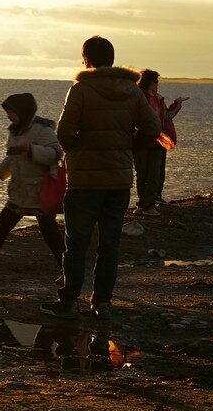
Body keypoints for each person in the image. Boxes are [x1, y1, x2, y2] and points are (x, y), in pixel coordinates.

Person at [49, 35, 158, 318]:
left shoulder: (81, 89)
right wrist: (129, 146)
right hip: (118, 180)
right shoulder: (133, 91)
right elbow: (153, 127)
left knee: (76, 244)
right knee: (110, 245)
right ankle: (102, 303)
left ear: (86, 59)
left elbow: (63, 134)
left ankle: (70, 300)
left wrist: (77, 148)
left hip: (84, 181)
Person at [0, 92, 64, 275]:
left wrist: (30, 149)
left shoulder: (42, 129)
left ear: (23, 111)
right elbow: (13, 157)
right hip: (20, 190)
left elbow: (55, 154)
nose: (8, 115)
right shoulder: (15, 130)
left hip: (39, 191)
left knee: (50, 233)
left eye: (11, 112)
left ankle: (68, 266)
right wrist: (0, 172)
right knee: (2, 226)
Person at [133, 70, 184, 215]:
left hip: (157, 141)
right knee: (141, 174)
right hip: (141, 141)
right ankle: (142, 204)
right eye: (155, 81)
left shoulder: (158, 99)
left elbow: (166, 116)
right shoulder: (138, 98)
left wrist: (177, 104)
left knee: (154, 174)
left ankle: (150, 205)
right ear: (147, 82)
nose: (157, 84)